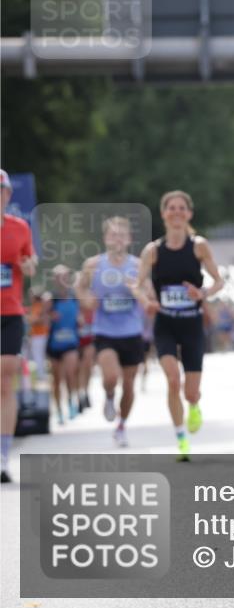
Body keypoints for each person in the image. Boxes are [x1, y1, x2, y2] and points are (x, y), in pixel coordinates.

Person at [132, 191, 224, 461]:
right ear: (163, 214)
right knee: (172, 379)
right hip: (166, 324)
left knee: (190, 390)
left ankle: (194, 404)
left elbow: (219, 281)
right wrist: (146, 301)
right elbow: (137, 286)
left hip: (192, 324)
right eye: (171, 208)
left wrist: (203, 293)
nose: (176, 212)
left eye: (182, 208)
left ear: (189, 214)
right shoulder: (153, 251)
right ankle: (181, 437)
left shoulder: (199, 246)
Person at [75, 216, 146, 447]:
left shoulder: (137, 266)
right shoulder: (93, 264)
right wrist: (87, 300)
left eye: (121, 234)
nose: (117, 239)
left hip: (132, 331)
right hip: (105, 330)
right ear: (105, 238)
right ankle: (108, 396)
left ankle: (122, 426)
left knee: (129, 384)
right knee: (111, 376)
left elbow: (150, 296)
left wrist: (137, 291)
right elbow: (80, 287)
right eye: (112, 234)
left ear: (129, 239)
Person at [0, 169, 37, 483]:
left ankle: (2, 455)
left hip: (11, 311)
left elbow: (32, 263)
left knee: (6, 376)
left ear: (8, 195)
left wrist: (28, 265)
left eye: (1, 190)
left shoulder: (20, 227)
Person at [47, 265, 81, 424]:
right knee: (56, 380)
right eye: (58, 277)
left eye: (65, 276)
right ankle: (59, 410)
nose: (62, 280)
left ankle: (71, 403)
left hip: (71, 342)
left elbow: (80, 317)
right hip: (54, 344)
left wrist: (80, 321)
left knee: (70, 374)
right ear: (54, 279)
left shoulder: (74, 296)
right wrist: (49, 317)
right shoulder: (50, 298)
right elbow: (39, 319)